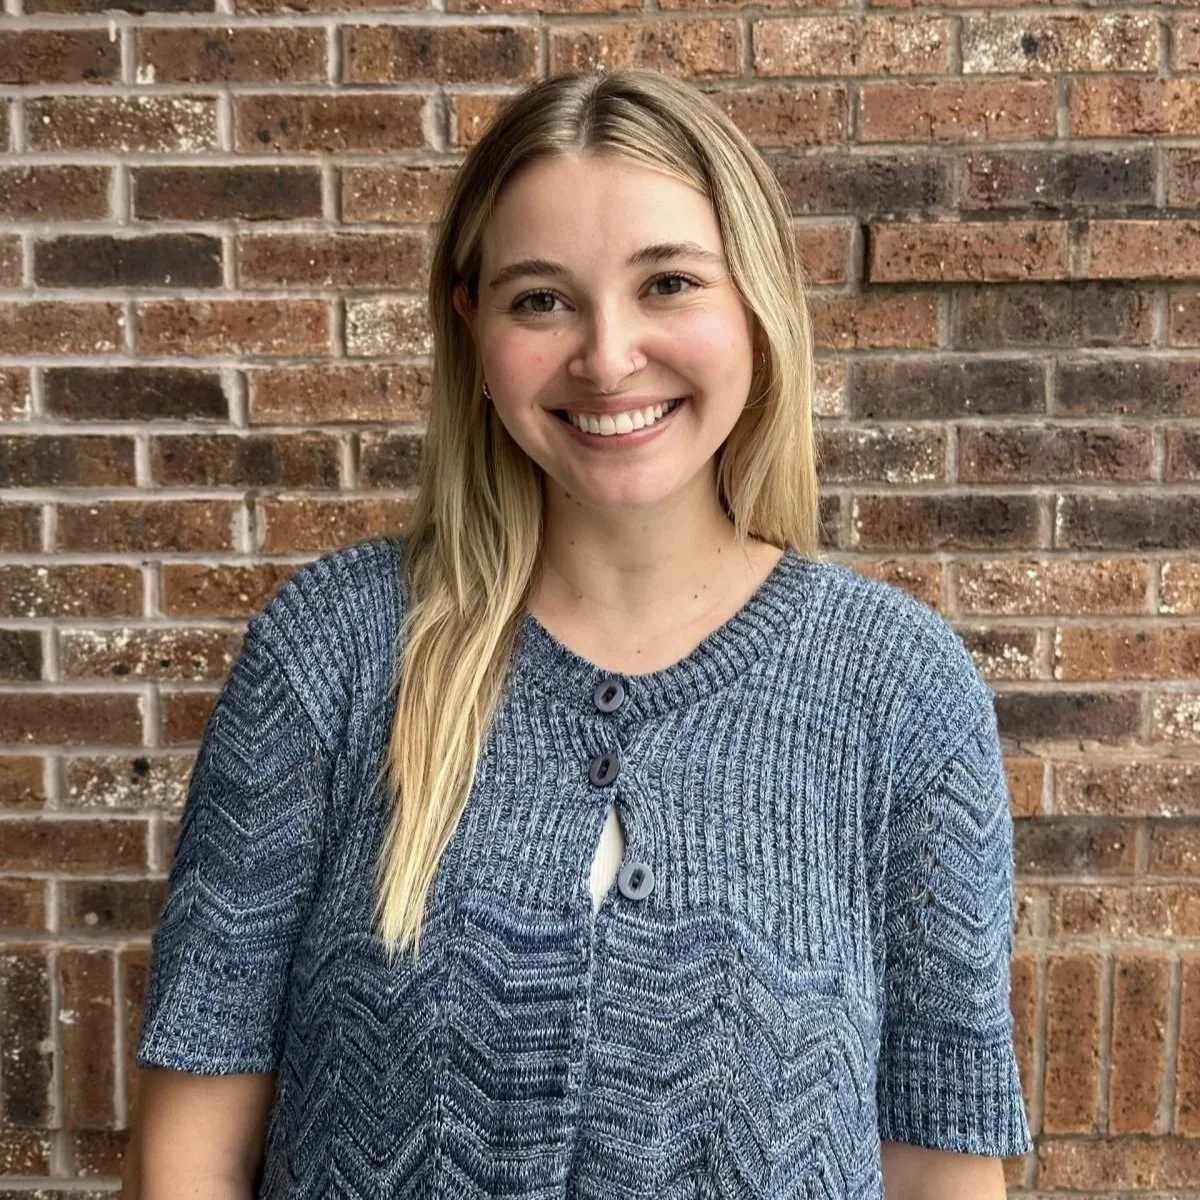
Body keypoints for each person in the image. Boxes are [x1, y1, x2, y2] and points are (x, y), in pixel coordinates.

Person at [124, 68, 1033, 1199]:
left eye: (668, 283)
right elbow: (188, 1157)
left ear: (753, 301)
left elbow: (938, 1165)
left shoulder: (895, 690)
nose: (608, 358)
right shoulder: (335, 653)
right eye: (541, 300)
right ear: (473, 327)